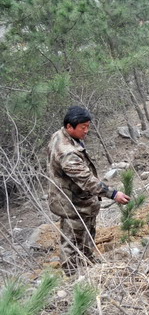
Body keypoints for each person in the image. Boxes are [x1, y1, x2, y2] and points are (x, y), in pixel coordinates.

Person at [47, 106, 130, 273]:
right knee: (72, 241)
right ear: (70, 127)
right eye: (83, 127)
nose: (87, 131)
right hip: (71, 203)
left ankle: (87, 262)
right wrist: (113, 194)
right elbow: (86, 180)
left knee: (86, 234)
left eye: (88, 126)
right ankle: (72, 276)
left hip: (78, 198)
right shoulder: (67, 153)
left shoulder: (61, 134)